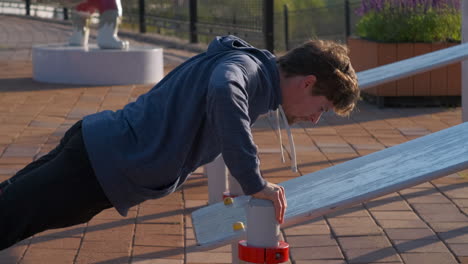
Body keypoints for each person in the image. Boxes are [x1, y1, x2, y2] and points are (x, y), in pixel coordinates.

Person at [0, 35, 359, 250]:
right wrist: (254, 182)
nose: (314, 118)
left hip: (98, 153)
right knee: (9, 217)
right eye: (321, 108)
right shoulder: (247, 70)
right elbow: (223, 88)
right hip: (101, 164)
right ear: (308, 82)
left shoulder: (254, 73)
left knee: (11, 206)